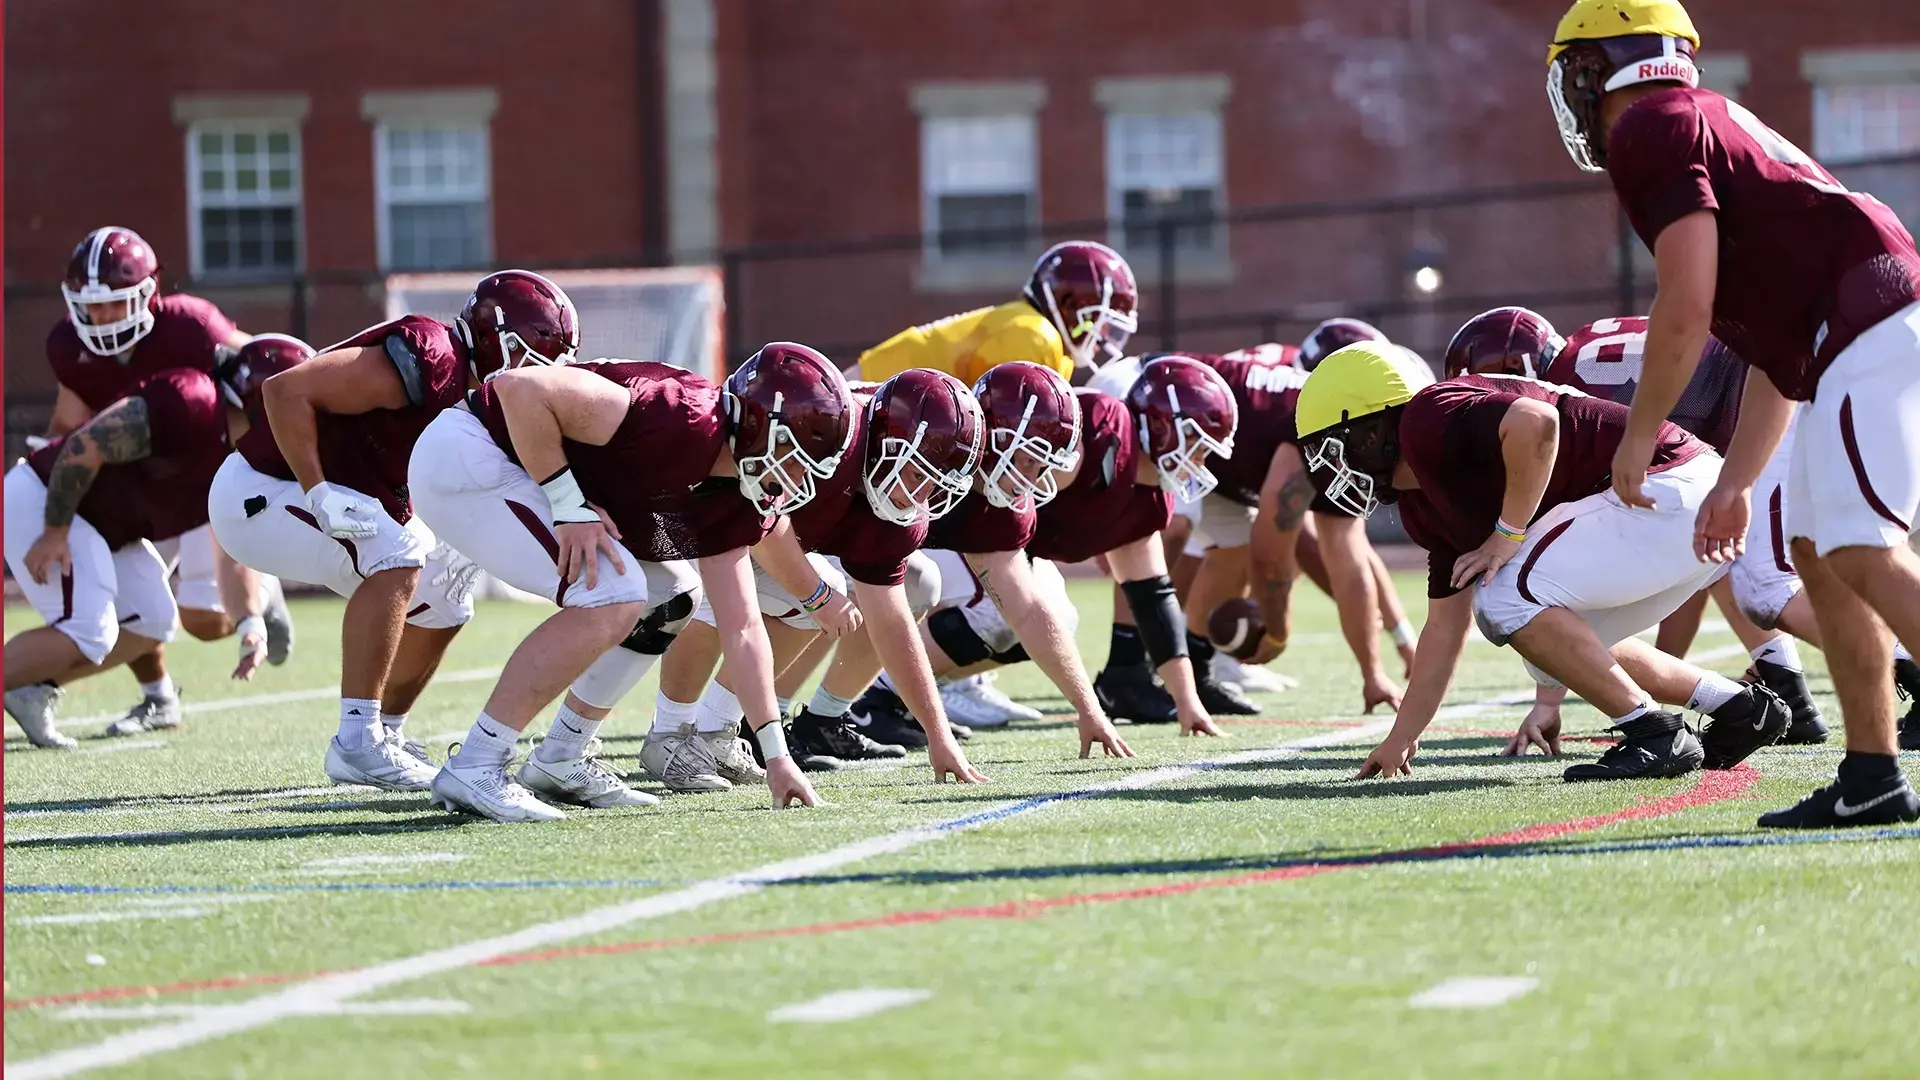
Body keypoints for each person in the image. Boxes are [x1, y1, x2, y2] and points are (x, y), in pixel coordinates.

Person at [1548, 0, 1920, 823]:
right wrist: (1738, 483)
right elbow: (1772, 355)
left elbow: (1685, 305)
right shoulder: (1698, 117)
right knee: (1819, 552)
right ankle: (1873, 776)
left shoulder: (1652, 125)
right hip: (1843, 334)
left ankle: (1875, 772)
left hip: (1871, 319)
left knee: (1862, 548)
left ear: (1597, 63)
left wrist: (1638, 438)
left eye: (1576, 71)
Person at [1296, 342, 1787, 782]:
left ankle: (1654, 733)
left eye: (1333, 447)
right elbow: (1444, 630)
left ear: (1371, 428)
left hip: (1662, 488)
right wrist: (1402, 736)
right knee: (1550, 651)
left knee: (1504, 597)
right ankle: (1741, 708)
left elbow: (1537, 422)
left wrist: (1506, 534)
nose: (1332, 467)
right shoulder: (1422, 504)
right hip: (1668, 507)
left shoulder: (1428, 414)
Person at [411, 342, 861, 819]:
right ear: (756, 427)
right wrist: (567, 502)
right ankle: (478, 762)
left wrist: (778, 758)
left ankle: (561, 755)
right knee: (615, 594)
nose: (794, 478)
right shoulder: (676, 415)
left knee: (671, 595)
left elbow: (744, 629)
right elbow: (520, 389)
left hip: (513, 472)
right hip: (467, 453)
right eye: (792, 456)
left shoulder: (734, 499)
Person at [1442, 307, 1884, 750]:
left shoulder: (1558, 401)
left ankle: (1903, 667)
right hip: (1793, 384)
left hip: (1769, 400)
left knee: (1766, 582)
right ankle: (1788, 688)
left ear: (1511, 372)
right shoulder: (1590, 343)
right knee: (1729, 558)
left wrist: (1550, 698)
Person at [210, 271, 577, 793]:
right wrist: (318, 491)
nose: (540, 379)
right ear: (499, 342)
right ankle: (357, 741)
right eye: (534, 360)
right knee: (397, 552)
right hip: (263, 489)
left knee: (446, 593)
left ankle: (387, 734)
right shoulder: (433, 355)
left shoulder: (473, 396)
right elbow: (285, 389)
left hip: (315, 492)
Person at [18, 225, 293, 740]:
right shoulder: (68, 345)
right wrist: (51, 472)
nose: (99, 318)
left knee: (204, 620)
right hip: (132, 477)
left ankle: (261, 594)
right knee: (133, 596)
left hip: (196, 470)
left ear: (147, 295)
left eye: (113, 304)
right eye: (89, 305)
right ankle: (158, 695)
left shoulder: (191, 326)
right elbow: (69, 424)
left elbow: (269, 368)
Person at [870, 356, 1237, 739]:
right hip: (941, 521)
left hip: (1001, 542)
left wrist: (1186, 698)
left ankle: (905, 694)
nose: (1200, 460)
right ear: (1162, 427)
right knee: (994, 615)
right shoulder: (1102, 436)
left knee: (1057, 622)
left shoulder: (1149, 501)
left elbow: (1153, 596)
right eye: (1196, 444)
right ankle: (878, 696)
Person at [656, 369, 993, 784]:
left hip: (756, 528)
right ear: (888, 445)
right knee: (723, 595)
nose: (921, 496)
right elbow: (756, 513)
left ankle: (716, 732)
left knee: (835, 592)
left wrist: (938, 734)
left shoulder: (897, 507)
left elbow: (891, 621)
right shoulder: (831, 440)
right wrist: (815, 594)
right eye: (918, 475)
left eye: (935, 485)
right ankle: (669, 732)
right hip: (691, 514)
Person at [824, 362, 1135, 758]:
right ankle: (759, 723)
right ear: (1000, 437)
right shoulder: (925, 449)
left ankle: (830, 717)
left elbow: (1027, 610)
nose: (1035, 479)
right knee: (841, 588)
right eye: (1030, 459)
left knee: (1042, 606)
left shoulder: (999, 500)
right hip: (793, 523)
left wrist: (1088, 710)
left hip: (861, 545)